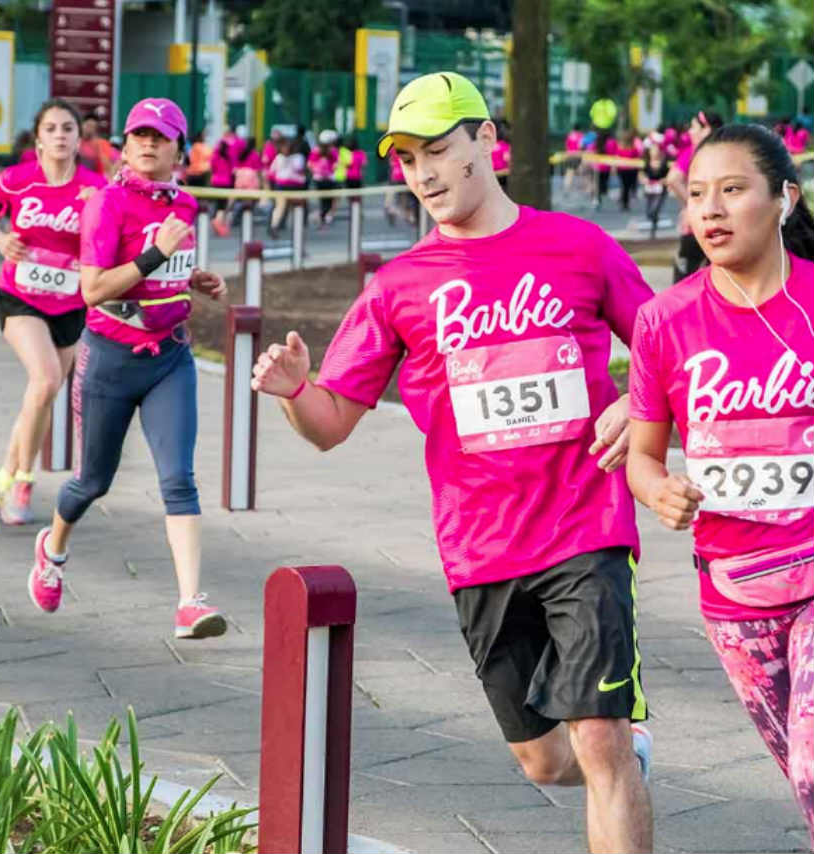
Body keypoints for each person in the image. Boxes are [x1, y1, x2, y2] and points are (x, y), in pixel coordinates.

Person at [251, 72, 655, 853]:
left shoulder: (579, 246)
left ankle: (617, 754)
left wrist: (637, 403)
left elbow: (669, 353)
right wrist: (296, 391)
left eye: (438, 150)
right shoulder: (398, 287)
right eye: (406, 160)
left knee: (599, 735)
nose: (424, 174)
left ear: (487, 141)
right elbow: (330, 425)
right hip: (481, 549)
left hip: (587, 528)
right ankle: (626, 760)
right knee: (544, 760)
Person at [626, 123, 814, 847]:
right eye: (697, 194)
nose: (710, 210)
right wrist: (658, 490)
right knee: (801, 777)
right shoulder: (663, 322)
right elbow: (644, 455)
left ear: (783, 200)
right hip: (734, 592)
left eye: (733, 191)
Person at [26, 97, 229, 639]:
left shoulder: (184, 205)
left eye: (159, 137)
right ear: (124, 142)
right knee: (92, 482)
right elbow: (93, 290)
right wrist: (157, 257)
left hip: (170, 358)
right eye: (138, 134)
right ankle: (53, 549)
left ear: (179, 150)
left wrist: (194, 279)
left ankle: (190, 603)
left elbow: (161, 273)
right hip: (109, 359)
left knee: (179, 480)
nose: (146, 144)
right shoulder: (106, 204)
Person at [0, 98, 107, 526]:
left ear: (78, 137)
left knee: (41, 394)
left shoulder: (94, 187)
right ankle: (22, 481)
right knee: (47, 378)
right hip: (20, 295)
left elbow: (109, 240)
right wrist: (0, 241)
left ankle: (0, 476)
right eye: (51, 128)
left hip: (71, 302)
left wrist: (96, 213)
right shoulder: (16, 180)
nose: (59, 135)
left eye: (67, 128)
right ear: (38, 137)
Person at [667, 111, 723, 281]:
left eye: (694, 127)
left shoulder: (694, 153)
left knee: (685, 281)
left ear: (706, 130)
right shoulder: (726, 153)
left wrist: (692, 206)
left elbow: (673, 179)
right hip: (722, 226)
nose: (690, 132)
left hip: (695, 228)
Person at [267, 136, 306, 237]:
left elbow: (271, 172)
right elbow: (300, 170)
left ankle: (282, 226)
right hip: (291, 186)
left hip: (285, 185)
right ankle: (276, 226)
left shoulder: (283, 158)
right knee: (283, 207)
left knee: (288, 207)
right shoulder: (297, 158)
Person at [308, 129, 340, 226]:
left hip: (318, 179)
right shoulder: (333, 151)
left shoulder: (315, 151)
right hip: (330, 179)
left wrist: (317, 172)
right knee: (329, 199)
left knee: (323, 200)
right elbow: (336, 165)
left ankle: (322, 217)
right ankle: (324, 217)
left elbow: (309, 164)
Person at [640, 139, 669, 239]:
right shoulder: (647, 162)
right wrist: (644, 179)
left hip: (660, 190)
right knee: (649, 211)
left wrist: (664, 180)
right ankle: (653, 220)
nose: (655, 153)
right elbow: (641, 173)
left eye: (656, 150)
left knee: (655, 209)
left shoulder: (664, 162)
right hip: (649, 189)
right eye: (653, 150)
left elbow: (670, 175)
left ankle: (653, 228)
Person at [209, 134, 236, 236]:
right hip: (226, 183)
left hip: (216, 182)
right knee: (223, 206)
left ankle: (217, 221)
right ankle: (218, 222)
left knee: (218, 204)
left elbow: (212, 168)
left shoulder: (215, 156)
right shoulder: (229, 157)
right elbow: (232, 171)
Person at [78, 113, 117, 178]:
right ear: (82, 125)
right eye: (88, 125)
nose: (90, 129)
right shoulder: (75, 141)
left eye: (93, 127)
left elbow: (108, 168)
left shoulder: (102, 144)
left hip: (95, 180)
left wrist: (98, 148)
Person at [615, 128, 642, 212]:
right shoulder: (633, 149)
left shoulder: (620, 148)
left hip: (622, 170)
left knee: (624, 186)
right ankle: (625, 202)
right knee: (628, 186)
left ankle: (624, 201)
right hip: (631, 170)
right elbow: (638, 158)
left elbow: (617, 158)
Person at [564, 122, 584, 194]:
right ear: (579, 129)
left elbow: (566, 145)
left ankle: (567, 185)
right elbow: (581, 146)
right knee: (581, 170)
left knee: (570, 171)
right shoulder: (581, 136)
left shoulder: (569, 135)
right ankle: (582, 185)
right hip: (578, 155)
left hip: (570, 155)